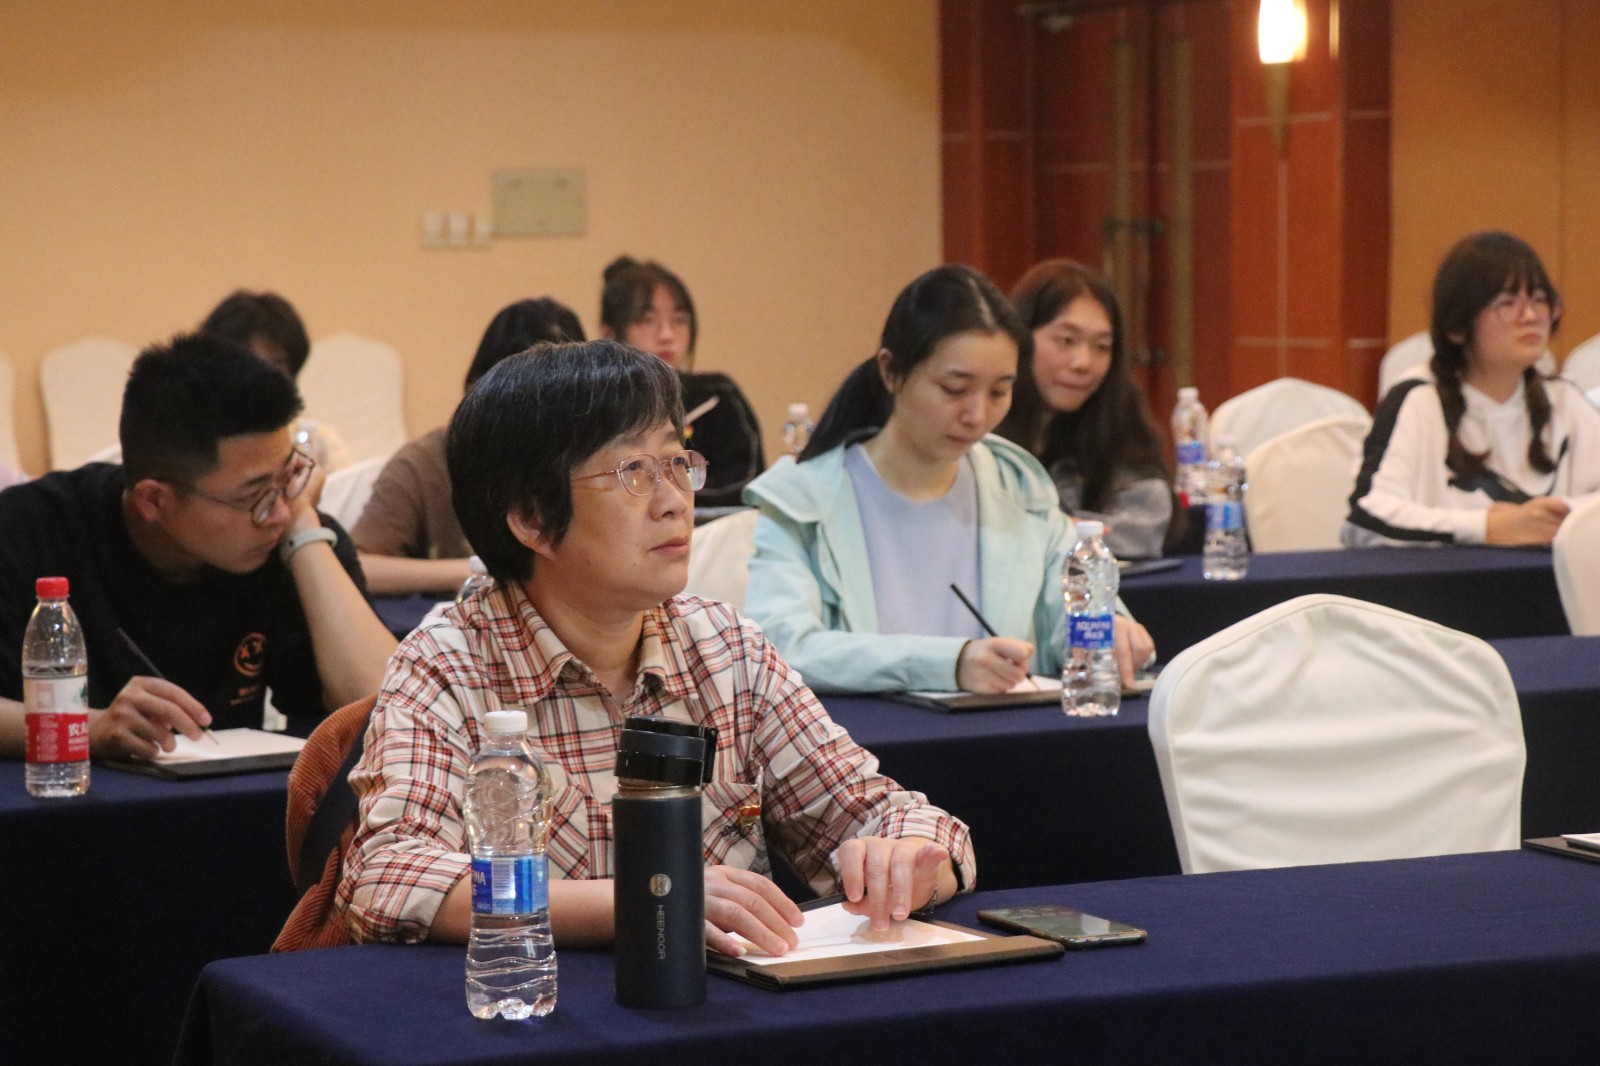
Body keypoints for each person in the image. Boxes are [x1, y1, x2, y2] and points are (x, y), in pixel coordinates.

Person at [336, 340, 972, 954]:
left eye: (676, 463)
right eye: (633, 472)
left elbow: (894, 818)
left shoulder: (726, 649)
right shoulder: (448, 663)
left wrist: (906, 859)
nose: (675, 503)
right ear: (532, 519)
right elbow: (390, 877)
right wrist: (648, 899)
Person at [741, 264, 1155, 696]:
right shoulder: (804, 499)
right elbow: (782, 646)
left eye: (999, 392)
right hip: (859, 738)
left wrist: (1109, 632)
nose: (977, 415)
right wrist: (948, 663)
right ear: (890, 372)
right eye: (955, 389)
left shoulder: (1019, 487)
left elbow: (1068, 620)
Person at [0, 333, 397, 760]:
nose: (278, 512)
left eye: (290, 476)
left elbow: (389, 711)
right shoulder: (28, 531)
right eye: (254, 496)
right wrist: (85, 730)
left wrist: (304, 533)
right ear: (154, 500)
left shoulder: (289, 534)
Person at [1344, 231, 1600, 547]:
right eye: (1507, 303)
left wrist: (1552, 518)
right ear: (1457, 326)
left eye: (1539, 299)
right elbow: (1366, 514)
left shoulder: (1564, 400)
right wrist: (1487, 527)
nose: (1531, 316)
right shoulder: (1418, 398)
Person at [352, 297, 585, 595]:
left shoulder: (589, 465)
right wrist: (475, 570)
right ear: (482, 388)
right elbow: (360, 566)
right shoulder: (426, 463)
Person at [995, 259, 1175, 560]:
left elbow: (1145, 524)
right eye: (1066, 341)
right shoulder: (985, 428)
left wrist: (1056, 532)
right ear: (1021, 337)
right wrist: (1058, 531)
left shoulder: (1118, 425)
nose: (1084, 363)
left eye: (1101, 346)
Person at [598, 256, 764, 506]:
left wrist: (668, 494)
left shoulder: (715, 397)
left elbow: (749, 486)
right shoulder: (596, 408)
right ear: (609, 334)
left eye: (678, 320)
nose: (666, 335)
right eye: (647, 320)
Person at [201, 289, 353, 470]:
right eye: (248, 365)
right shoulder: (191, 444)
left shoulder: (317, 442)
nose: (262, 379)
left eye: (275, 366)